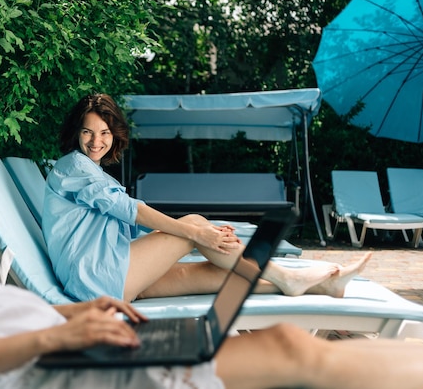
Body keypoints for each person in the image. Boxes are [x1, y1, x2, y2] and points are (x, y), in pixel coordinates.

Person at [0, 37, 423, 389]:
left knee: (243, 306)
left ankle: (287, 275)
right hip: (41, 364)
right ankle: (291, 274)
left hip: (71, 324)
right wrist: (58, 331)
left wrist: (73, 314)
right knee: (288, 347)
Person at [43, 93, 371, 302]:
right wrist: (198, 233)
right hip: (96, 278)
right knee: (194, 224)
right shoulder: (74, 166)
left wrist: (206, 235)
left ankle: (318, 285)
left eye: (104, 132)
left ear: (114, 134)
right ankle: (287, 276)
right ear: (76, 132)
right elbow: (132, 211)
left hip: (111, 274)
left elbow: (129, 228)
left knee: (207, 274)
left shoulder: (93, 171)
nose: (96, 140)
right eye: (88, 131)